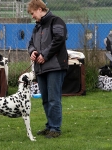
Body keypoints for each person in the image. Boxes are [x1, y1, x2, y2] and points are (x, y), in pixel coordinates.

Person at [27, 0, 68, 138]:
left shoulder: (56, 21)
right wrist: (32, 51)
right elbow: (31, 43)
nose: (32, 16)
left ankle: (55, 129)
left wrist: (45, 54)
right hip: (41, 68)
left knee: (53, 99)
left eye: (33, 13)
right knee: (45, 98)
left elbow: (59, 39)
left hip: (55, 66)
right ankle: (50, 126)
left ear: (39, 9)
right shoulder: (37, 27)